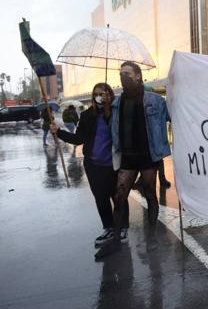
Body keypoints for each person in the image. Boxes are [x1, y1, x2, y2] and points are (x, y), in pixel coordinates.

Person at [95, 61, 171, 259]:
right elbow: (110, 127)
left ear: (138, 76)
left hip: (148, 156)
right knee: (119, 196)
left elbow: (174, 117)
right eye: (121, 73)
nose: (123, 76)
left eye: (127, 73)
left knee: (151, 195)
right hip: (127, 157)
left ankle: (152, 237)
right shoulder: (116, 103)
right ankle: (116, 241)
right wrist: (105, 110)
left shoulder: (156, 100)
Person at [51, 83, 129, 247]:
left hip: (114, 164)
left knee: (119, 197)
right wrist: (58, 132)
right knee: (101, 199)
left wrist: (110, 110)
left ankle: (121, 227)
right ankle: (108, 227)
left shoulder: (117, 113)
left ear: (110, 95)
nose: (100, 96)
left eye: (103, 93)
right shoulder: (87, 115)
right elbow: (78, 139)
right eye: (97, 94)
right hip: (93, 165)